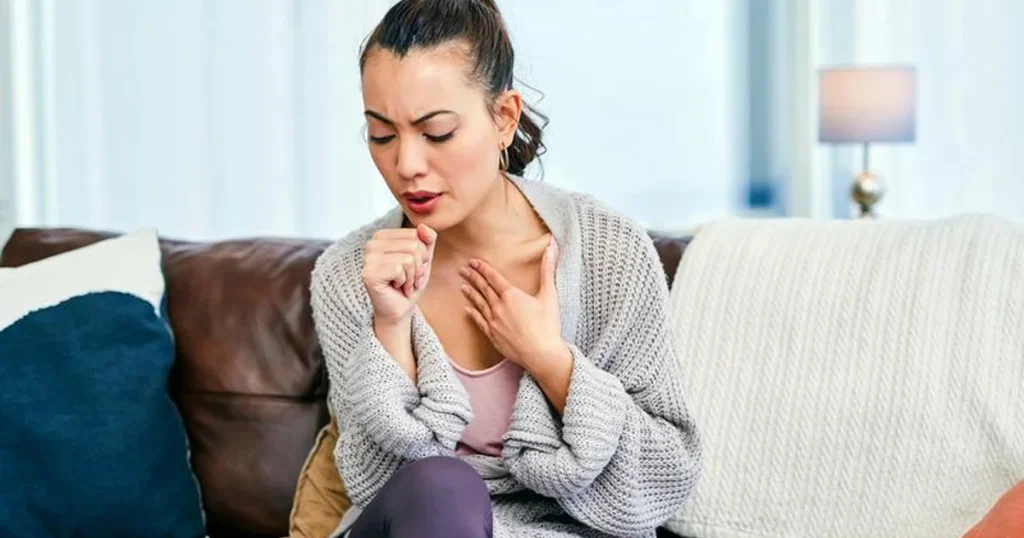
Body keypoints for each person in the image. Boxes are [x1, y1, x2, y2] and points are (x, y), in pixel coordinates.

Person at [309, 1, 703, 536]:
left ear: (504, 119)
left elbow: (664, 476)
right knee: (442, 488)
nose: (406, 165)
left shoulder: (608, 252)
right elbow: (374, 485)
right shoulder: (348, 277)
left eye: (438, 132)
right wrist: (391, 331)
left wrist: (552, 363)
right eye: (381, 135)